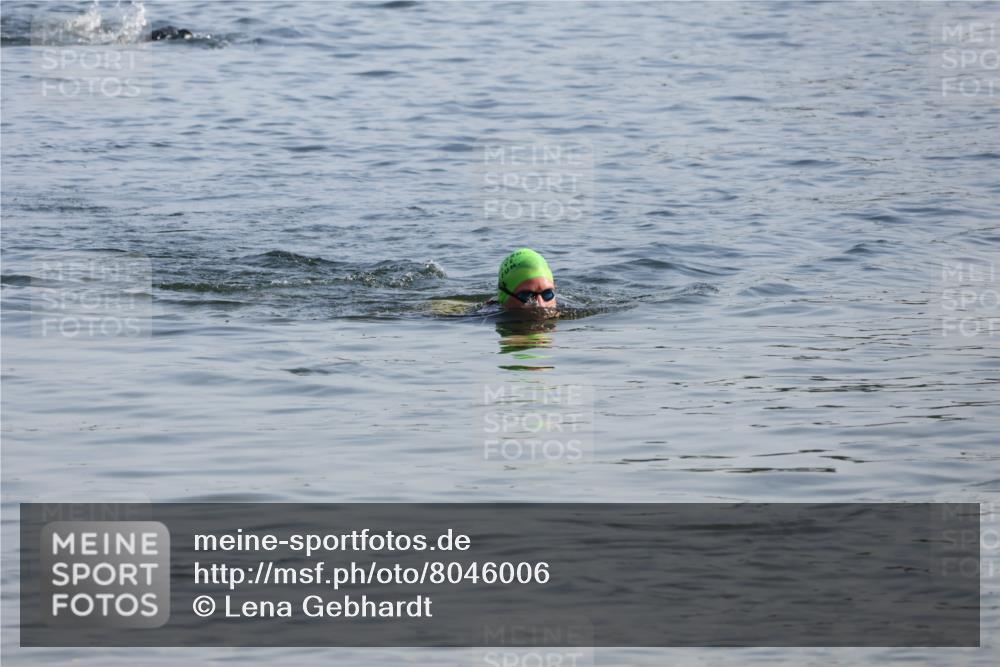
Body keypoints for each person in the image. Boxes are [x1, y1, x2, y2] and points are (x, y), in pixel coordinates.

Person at [495, 248, 557, 313]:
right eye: (527, 296)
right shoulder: (486, 317)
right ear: (504, 296)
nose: (541, 305)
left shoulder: (566, 307)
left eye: (547, 293)